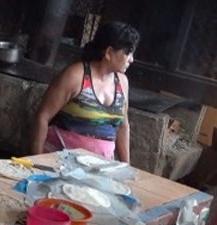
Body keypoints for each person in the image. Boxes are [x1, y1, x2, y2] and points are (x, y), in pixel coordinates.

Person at [31, 21, 140, 162]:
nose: (131, 59)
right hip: (59, 164)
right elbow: (42, 117)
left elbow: (123, 126)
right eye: (128, 53)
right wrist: (35, 163)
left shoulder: (122, 82)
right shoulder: (75, 76)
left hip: (99, 169)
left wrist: (126, 167)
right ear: (108, 52)